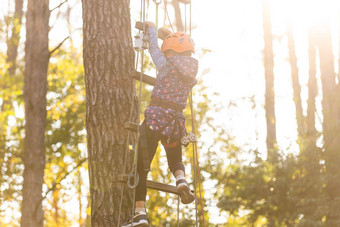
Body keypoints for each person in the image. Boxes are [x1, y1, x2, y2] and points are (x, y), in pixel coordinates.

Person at [122, 21, 198, 227]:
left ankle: (140, 214)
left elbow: (154, 50)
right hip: (174, 125)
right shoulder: (191, 74)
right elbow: (174, 52)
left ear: (170, 52)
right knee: (174, 160)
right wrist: (168, 37)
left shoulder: (165, 65)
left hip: (155, 121)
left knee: (140, 169)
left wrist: (152, 29)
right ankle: (181, 179)